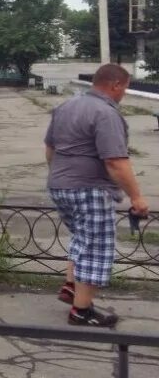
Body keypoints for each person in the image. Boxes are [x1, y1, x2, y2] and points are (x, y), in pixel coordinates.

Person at [45, 63, 149, 327]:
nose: (124, 92)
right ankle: (81, 311)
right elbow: (115, 162)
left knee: (82, 238)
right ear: (115, 85)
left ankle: (71, 288)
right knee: (95, 249)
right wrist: (136, 197)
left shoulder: (67, 106)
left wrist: (62, 176)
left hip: (60, 185)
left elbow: (50, 149)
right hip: (90, 189)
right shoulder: (106, 113)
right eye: (125, 87)